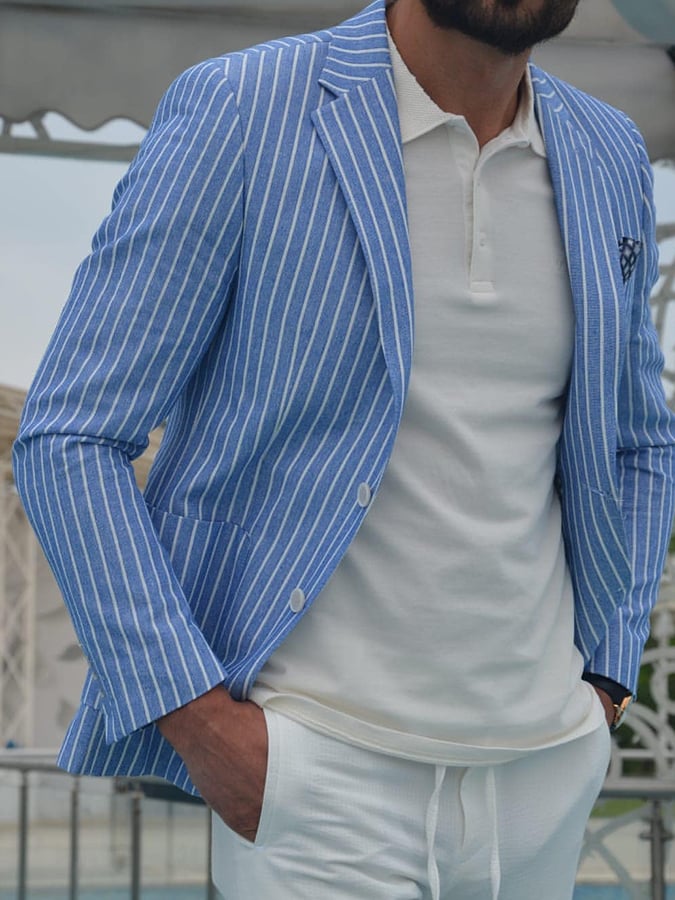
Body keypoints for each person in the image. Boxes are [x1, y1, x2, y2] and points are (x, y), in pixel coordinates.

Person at [13, 0, 675, 896]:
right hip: (315, 772)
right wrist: (197, 719)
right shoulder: (245, 107)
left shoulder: (606, 151)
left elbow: (636, 441)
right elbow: (71, 435)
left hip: (543, 769)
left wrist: (607, 680)